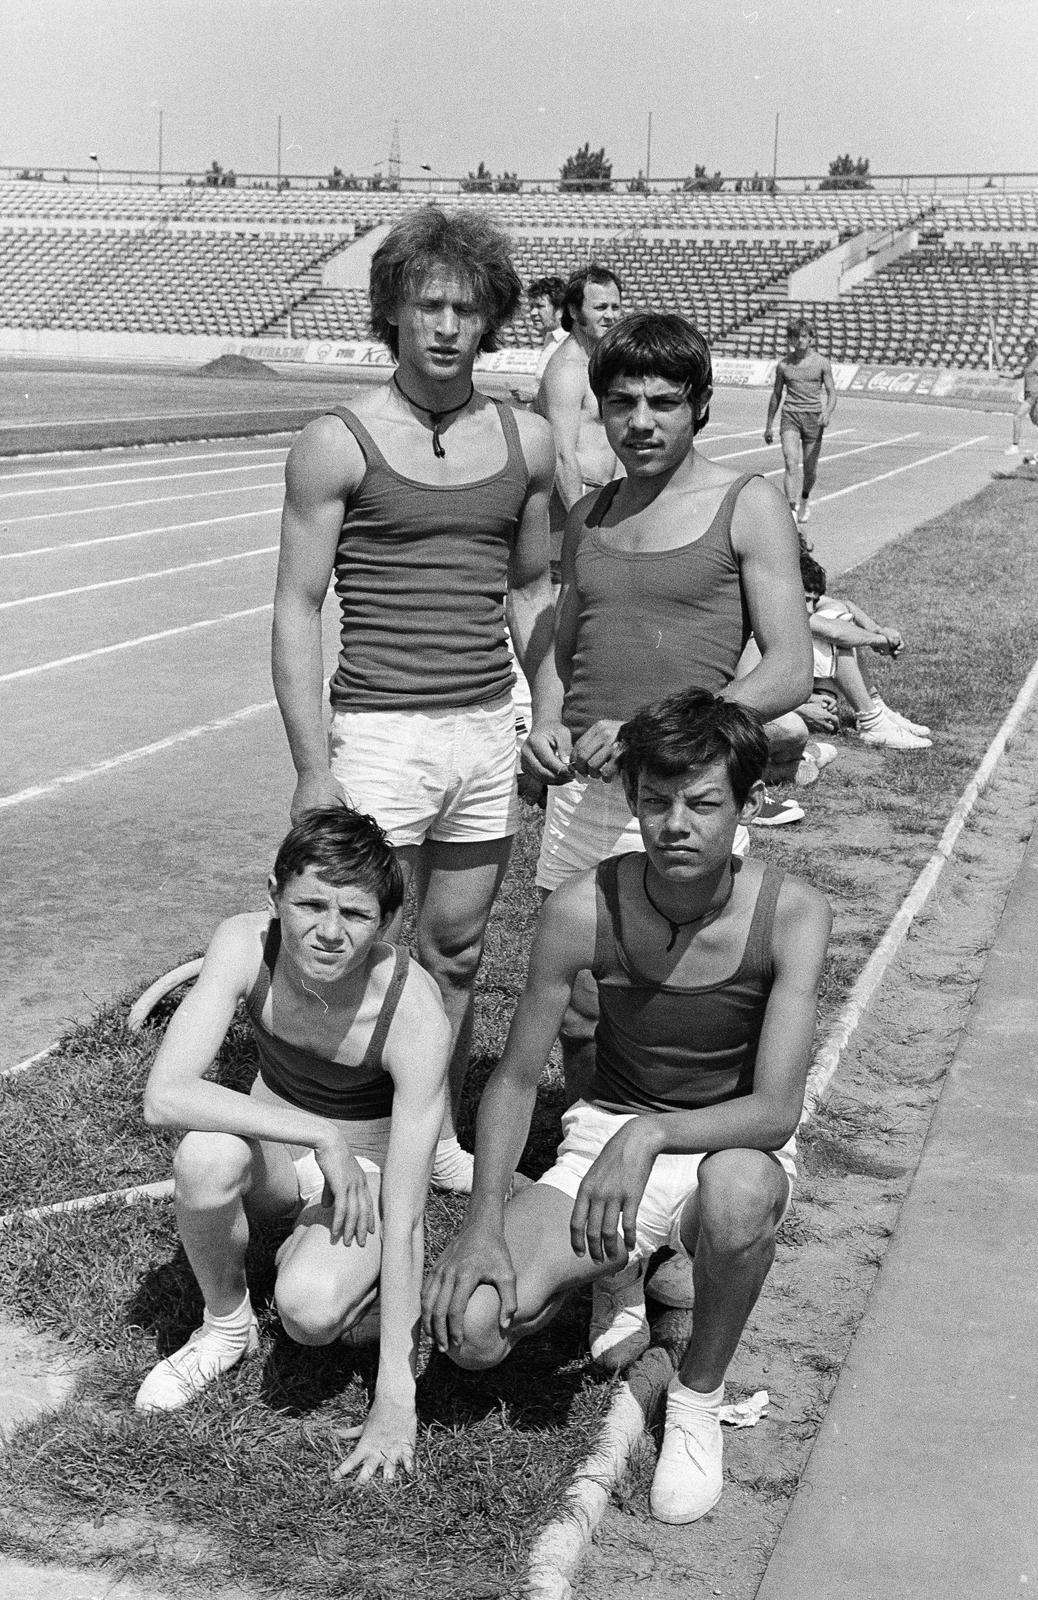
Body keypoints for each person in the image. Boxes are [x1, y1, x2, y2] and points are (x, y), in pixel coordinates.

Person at [423, 690, 832, 1524]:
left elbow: (775, 1112)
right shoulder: (582, 906)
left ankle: (697, 1398)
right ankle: (618, 1265)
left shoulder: (793, 913)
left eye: (702, 803)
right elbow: (513, 1080)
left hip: (726, 1141)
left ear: (750, 804)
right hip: (607, 1137)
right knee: (470, 1330)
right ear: (632, 801)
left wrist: (650, 1134)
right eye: (655, 801)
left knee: (742, 1194)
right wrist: (482, 1221)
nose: (675, 824)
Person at [272, 207, 557, 1194]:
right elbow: (298, 605)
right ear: (392, 310)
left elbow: (532, 590)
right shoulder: (336, 442)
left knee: (458, 951)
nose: (445, 325)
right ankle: (336, 1131)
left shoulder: (528, 441)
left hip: (484, 730)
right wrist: (313, 766)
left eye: (466, 309)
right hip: (379, 734)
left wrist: (547, 710)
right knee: (354, 941)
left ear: (492, 320)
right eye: (428, 304)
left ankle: (430, 1135)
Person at [523, 311, 814, 1103]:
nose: (641, 422)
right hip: (584, 793)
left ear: (700, 405)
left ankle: (688, 1142)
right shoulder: (590, 515)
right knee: (581, 1006)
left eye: (663, 402)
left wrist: (654, 732)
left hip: (684, 790)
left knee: (681, 999)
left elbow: (790, 668)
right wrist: (546, 724)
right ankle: (590, 1135)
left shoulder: (747, 504)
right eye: (622, 403)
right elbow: (562, 651)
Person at [134, 806, 451, 1483]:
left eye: (355, 914)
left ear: (388, 922)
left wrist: (396, 1401)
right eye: (310, 905)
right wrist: (319, 1133)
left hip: (363, 1175)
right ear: (274, 895)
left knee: (309, 1314)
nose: (330, 932)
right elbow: (165, 1095)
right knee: (204, 1154)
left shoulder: (414, 1010)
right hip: (280, 1149)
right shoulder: (244, 941)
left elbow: (409, 1214)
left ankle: (332, 1272)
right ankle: (226, 1326)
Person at [535, 264, 624, 568]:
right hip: (571, 503)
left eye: (615, 307)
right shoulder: (567, 369)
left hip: (599, 497)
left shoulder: (600, 364)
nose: (610, 315)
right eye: (600, 307)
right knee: (564, 588)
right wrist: (581, 529)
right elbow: (562, 454)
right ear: (574, 311)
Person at [797, 552, 932, 751]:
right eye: (806, 600)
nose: (810, 608)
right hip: (778, 688)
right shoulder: (778, 604)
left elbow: (844, 604)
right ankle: (871, 721)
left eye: (813, 602)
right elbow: (835, 632)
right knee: (838, 636)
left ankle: (877, 708)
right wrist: (880, 640)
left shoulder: (794, 593)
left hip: (800, 682)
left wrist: (877, 629)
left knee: (838, 613)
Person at [764, 319, 837, 525]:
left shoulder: (822, 363)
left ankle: (804, 497)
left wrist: (827, 412)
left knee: (810, 471)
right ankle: (791, 509)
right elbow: (776, 395)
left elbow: (832, 392)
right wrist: (769, 425)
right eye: (796, 337)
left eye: (804, 336)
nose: (800, 340)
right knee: (790, 462)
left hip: (814, 419)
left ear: (811, 338)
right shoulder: (783, 366)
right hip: (790, 417)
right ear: (790, 339)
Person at [528, 274, 568, 383]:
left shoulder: (570, 342)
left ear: (560, 310)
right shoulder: (550, 337)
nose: (533, 312)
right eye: (531, 307)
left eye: (540, 306)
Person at [1004, 338, 1038, 460]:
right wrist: (1005, 375)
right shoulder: (1028, 361)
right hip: (1029, 394)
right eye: (1027, 351)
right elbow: (1020, 375)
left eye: (1030, 350)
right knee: (1035, 420)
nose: (1029, 353)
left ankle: (1014, 446)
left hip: (1034, 395)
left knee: (1017, 417)